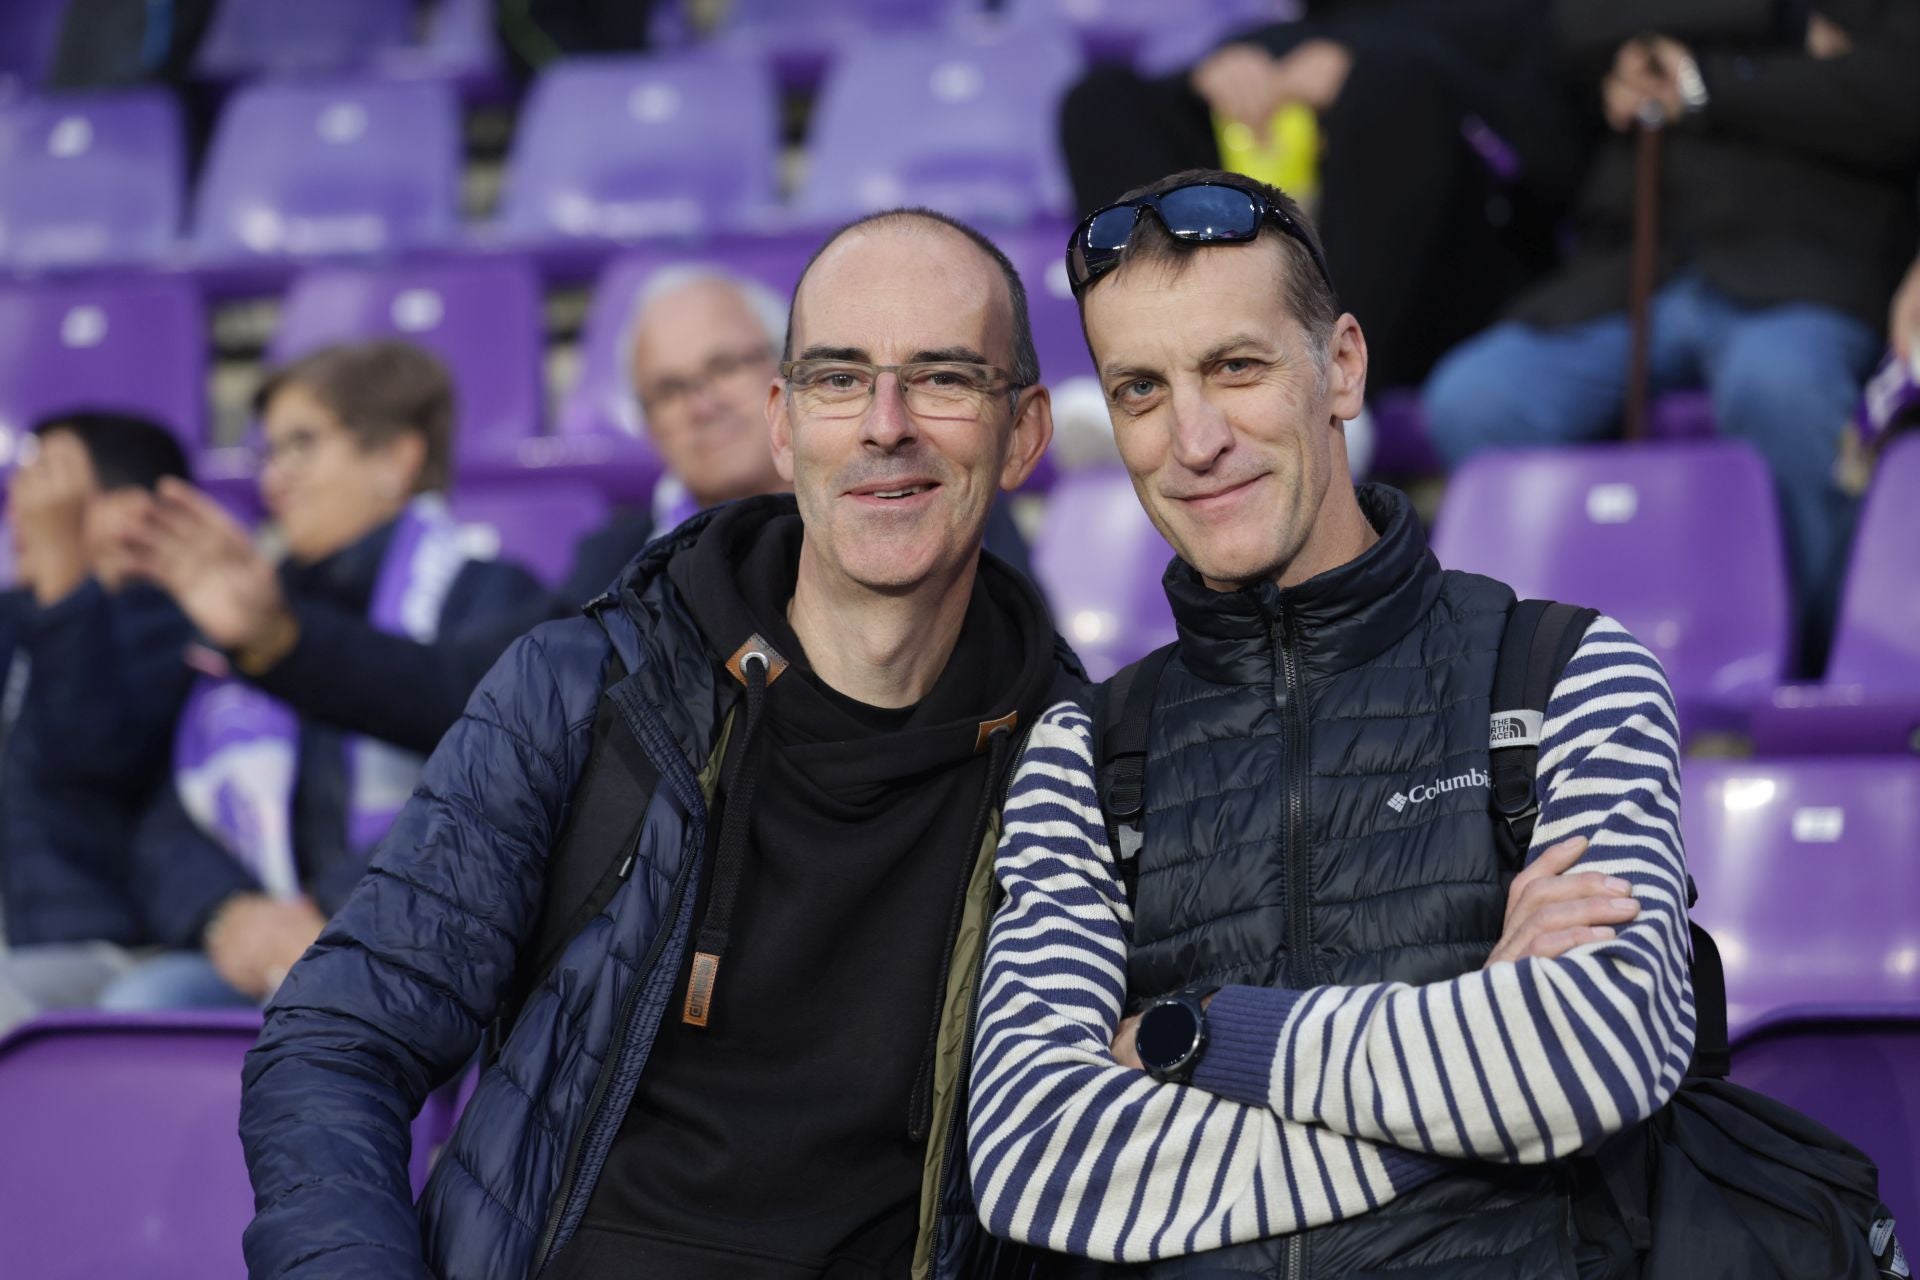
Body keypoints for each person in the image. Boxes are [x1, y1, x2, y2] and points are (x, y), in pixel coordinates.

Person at [238, 208, 1080, 1280]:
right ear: (783, 425)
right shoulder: (585, 689)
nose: (885, 423)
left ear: (1026, 432)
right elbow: (335, 1041)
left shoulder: (1086, 771)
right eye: (838, 378)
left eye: (945, 378)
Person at [968, 171, 1692, 1276]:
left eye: (1237, 367)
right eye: (1140, 390)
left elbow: (1589, 1050)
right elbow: (1035, 1152)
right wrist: (1471, 1063)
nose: (1193, 439)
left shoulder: (1563, 677)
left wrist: (1193, 1036)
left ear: (1341, 365)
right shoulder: (1084, 755)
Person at [1424, 3, 1920, 667]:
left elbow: (1897, 95)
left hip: (1801, 266)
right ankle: (1562, 671)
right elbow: (1570, 26)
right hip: (1631, 272)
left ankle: (1812, 668)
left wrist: (1706, 78)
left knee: (1780, 387)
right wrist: (1789, 47)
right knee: (1476, 397)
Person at [104, 340, 552, 1009]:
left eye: (301, 445)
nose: (272, 479)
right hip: (256, 954)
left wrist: (334, 907)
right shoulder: (250, 607)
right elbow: (173, 814)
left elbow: (476, 750)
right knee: (143, 1005)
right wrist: (226, 915)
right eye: (266, 453)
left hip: (424, 946)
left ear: (395, 459)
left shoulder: (492, 595)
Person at [1059, 0, 1583, 392]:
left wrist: (1364, 60)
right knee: (1101, 102)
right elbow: (1305, 39)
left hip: (1449, 295)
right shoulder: (1297, 26)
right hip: (1287, 273)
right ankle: (1156, 377)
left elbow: (1557, 164)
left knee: (1390, 85)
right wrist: (1227, 69)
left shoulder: (1533, 22)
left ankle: (1329, 393)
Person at [563, 263, 1034, 605]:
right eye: (669, 390)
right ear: (648, 426)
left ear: (786, 378)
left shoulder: (927, 492)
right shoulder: (608, 564)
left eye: (724, 367)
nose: (702, 406)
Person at [0, 412, 195, 1031]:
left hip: (110, 946)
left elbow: (92, 753)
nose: (23, 513)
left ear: (133, 510)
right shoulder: (16, 618)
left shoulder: (168, 622)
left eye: (51, 484)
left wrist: (62, 578)